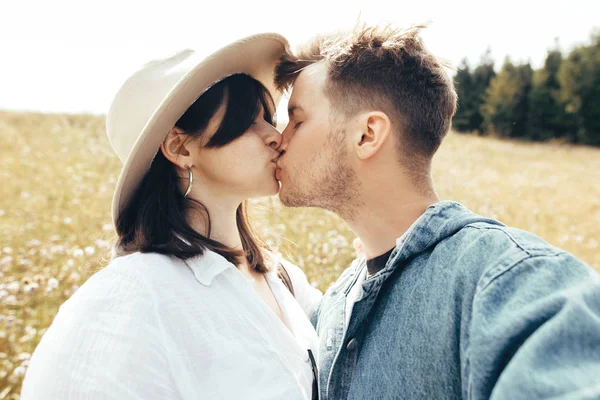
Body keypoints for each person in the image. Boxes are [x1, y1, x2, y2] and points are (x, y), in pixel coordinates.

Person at [274, 24, 600, 399]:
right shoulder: (332, 308)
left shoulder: (512, 281)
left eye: (297, 120)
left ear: (366, 135)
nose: (279, 141)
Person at [21, 33, 321, 400]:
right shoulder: (128, 298)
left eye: (268, 118)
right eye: (247, 122)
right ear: (180, 147)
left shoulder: (286, 280)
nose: (274, 136)